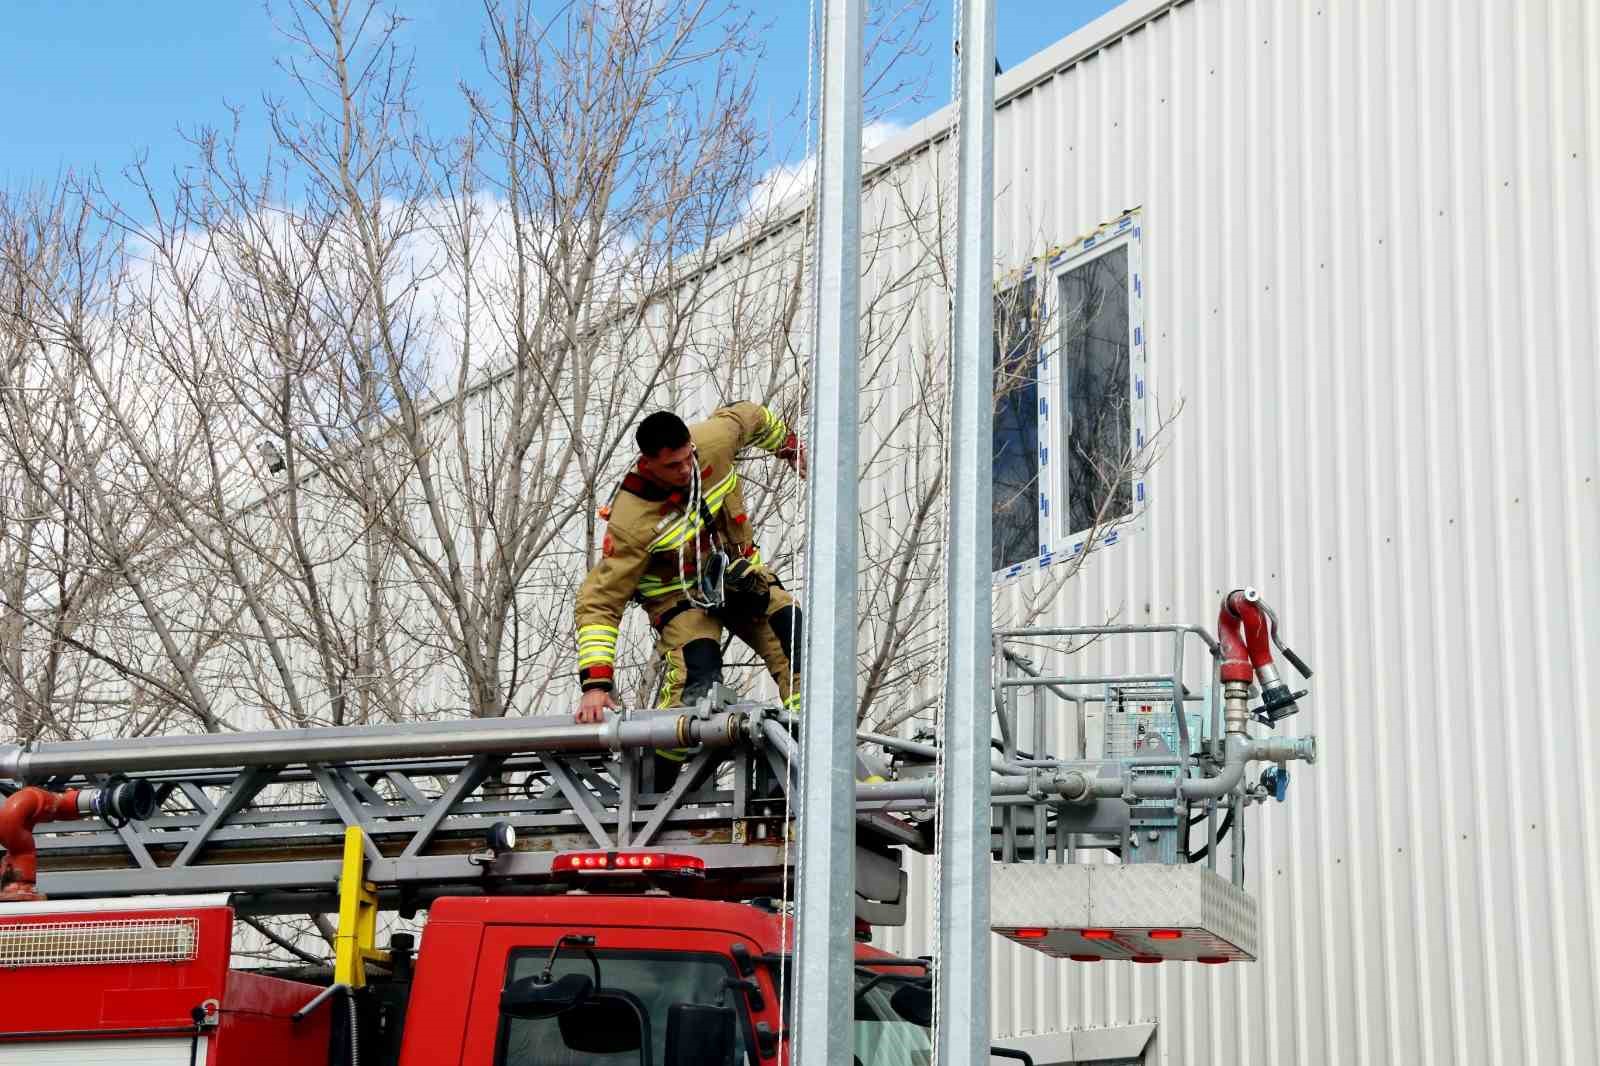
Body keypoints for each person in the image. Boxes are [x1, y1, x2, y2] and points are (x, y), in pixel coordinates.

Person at [573, 404, 806, 763]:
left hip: (736, 577)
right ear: (647, 463)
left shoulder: (715, 440)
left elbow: (753, 416)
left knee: (795, 638)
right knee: (697, 680)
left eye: (688, 458)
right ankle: (654, 792)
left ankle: (814, 744)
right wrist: (596, 685)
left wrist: (790, 448)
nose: (685, 470)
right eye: (672, 466)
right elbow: (600, 602)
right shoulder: (631, 521)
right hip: (679, 599)